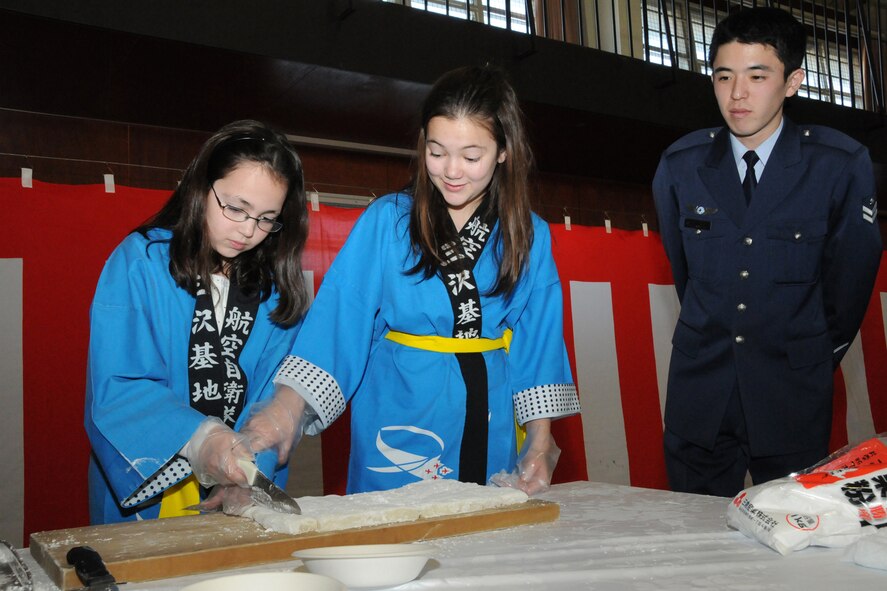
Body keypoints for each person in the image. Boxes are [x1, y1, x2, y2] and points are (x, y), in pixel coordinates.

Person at [241, 65, 581, 497]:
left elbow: (538, 344)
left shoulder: (529, 234)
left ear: (503, 152)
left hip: (489, 414)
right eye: (437, 152)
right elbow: (340, 321)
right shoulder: (388, 220)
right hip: (398, 408)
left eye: (471, 156)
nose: (452, 170)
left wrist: (539, 440)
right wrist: (286, 411)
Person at [653, 7, 882, 497]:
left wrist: (812, 352)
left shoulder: (837, 164)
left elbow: (850, 284)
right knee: (692, 548)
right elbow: (684, 273)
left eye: (757, 76)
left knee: (790, 543)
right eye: (724, 76)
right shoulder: (681, 165)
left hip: (791, 391)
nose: (738, 94)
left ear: (792, 81)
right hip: (701, 392)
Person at [85, 120, 311, 523]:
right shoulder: (142, 262)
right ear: (200, 186)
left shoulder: (273, 289)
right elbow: (118, 384)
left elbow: (275, 398)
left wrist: (246, 466)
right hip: (155, 479)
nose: (247, 231)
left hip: (238, 485)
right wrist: (201, 439)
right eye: (235, 208)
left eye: (266, 219)